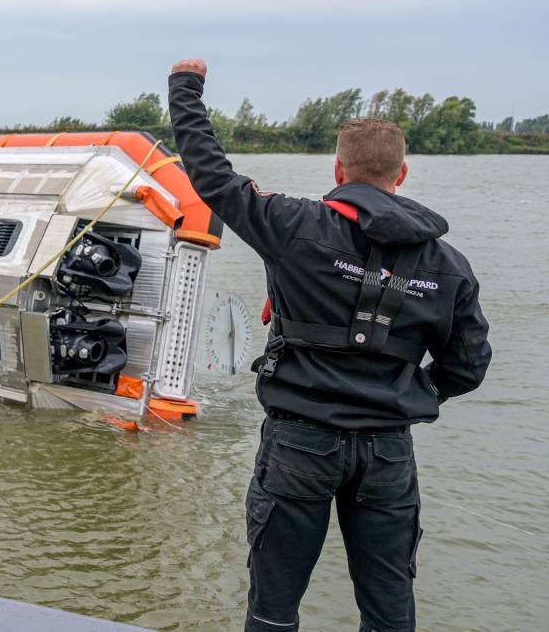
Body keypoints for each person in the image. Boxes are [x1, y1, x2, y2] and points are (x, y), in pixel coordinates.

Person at [168, 59, 491, 632]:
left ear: (338, 167)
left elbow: (212, 177)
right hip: (388, 452)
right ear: (403, 173)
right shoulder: (449, 266)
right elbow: (468, 366)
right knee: (390, 613)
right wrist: (406, 390)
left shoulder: (294, 224)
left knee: (273, 610)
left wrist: (185, 88)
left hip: (300, 445)